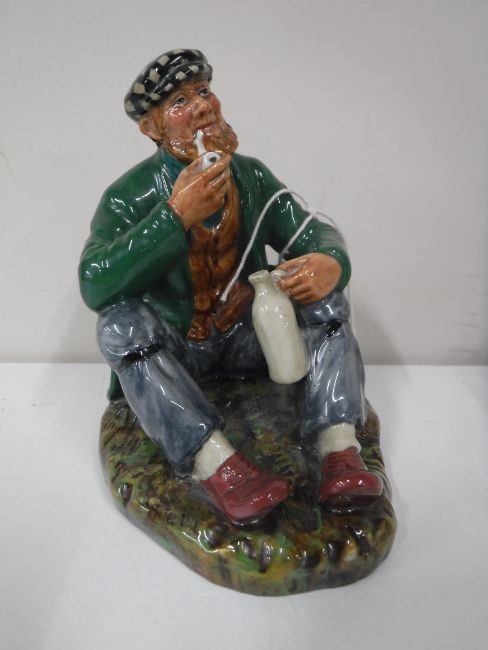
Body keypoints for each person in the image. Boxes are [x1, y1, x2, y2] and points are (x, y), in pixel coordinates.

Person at [79, 49, 382, 524]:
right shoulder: (128, 197)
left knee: (327, 297)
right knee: (119, 326)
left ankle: (338, 447)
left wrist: (330, 260)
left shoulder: (251, 176)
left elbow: (312, 232)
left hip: (246, 339)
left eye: (203, 92)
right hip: (180, 348)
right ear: (152, 127)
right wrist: (174, 217)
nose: (201, 107)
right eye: (180, 102)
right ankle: (216, 464)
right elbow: (95, 282)